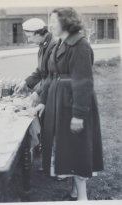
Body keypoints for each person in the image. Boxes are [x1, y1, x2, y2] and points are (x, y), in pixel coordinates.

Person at [35, 7, 103, 201]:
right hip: (59, 101)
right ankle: (74, 191)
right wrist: (43, 102)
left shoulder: (80, 45)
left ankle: (82, 197)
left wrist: (79, 115)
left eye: (54, 21)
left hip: (73, 103)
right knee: (67, 146)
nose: (50, 25)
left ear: (66, 22)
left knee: (77, 146)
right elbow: (51, 77)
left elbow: (84, 82)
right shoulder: (59, 44)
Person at [14, 18, 57, 172]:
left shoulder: (54, 46)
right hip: (47, 89)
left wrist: (38, 93)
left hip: (56, 91)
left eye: (29, 36)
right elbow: (40, 71)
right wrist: (25, 82)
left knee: (54, 128)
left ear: (39, 33)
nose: (28, 38)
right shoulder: (43, 45)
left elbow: (52, 75)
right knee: (46, 126)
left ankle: (57, 165)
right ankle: (48, 160)